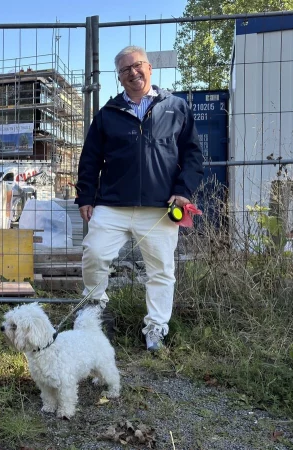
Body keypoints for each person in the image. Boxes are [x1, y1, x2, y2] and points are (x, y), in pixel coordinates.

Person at [74, 45, 204, 352]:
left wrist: (183, 191)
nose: (133, 73)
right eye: (125, 70)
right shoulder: (107, 115)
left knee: (160, 270)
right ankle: (95, 311)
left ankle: (156, 329)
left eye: (138, 66)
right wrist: (85, 197)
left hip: (160, 208)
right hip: (112, 205)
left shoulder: (176, 107)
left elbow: (193, 155)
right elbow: (90, 159)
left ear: (149, 68)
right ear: (118, 78)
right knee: (93, 253)